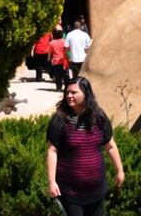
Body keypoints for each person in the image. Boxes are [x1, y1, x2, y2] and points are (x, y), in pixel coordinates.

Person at [46, 76, 124, 216]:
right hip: (70, 190)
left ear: (86, 94)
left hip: (97, 190)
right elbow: (52, 151)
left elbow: (110, 146)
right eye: (67, 92)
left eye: (74, 92)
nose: (69, 95)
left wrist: (120, 170)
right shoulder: (60, 119)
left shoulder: (99, 117)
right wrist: (51, 181)